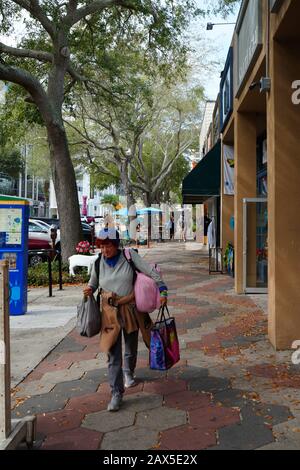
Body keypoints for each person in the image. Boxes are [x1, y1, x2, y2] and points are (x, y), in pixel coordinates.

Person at [83, 228, 168, 412]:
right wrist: (89, 289)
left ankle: (129, 371)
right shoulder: (98, 262)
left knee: (130, 345)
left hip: (130, 308)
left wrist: (163, 289)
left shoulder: (129, 256)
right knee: (113, 353)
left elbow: (150, 271)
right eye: (102, 247)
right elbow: (93, 283)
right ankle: (116, 393)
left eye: (108, 246)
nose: (105, 250)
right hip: (108, 312)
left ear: (116, 245)